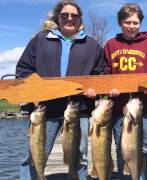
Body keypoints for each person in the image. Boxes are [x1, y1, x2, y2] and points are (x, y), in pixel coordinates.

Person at [16, 1, 105, 180]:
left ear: (80, 19)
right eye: (65, 15)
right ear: (58, 17)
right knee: (33, 156)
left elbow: (100, 74)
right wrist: (35, 88)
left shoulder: (92, 44)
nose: (69, 19)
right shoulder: (40, 40)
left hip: (78, 109)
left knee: (79, 158)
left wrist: (95, 89)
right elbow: (23, 69)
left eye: (74, 16)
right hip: (45, 110)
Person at [103, 3, 147, 180]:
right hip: (119, 108)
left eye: (136, 22)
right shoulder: (111, 44)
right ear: (121, 22)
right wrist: (108, 87)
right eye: (128, 22)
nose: (132, 26)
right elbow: (105, 74)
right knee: (123, 150)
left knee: (145, 150)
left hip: (144, 108)